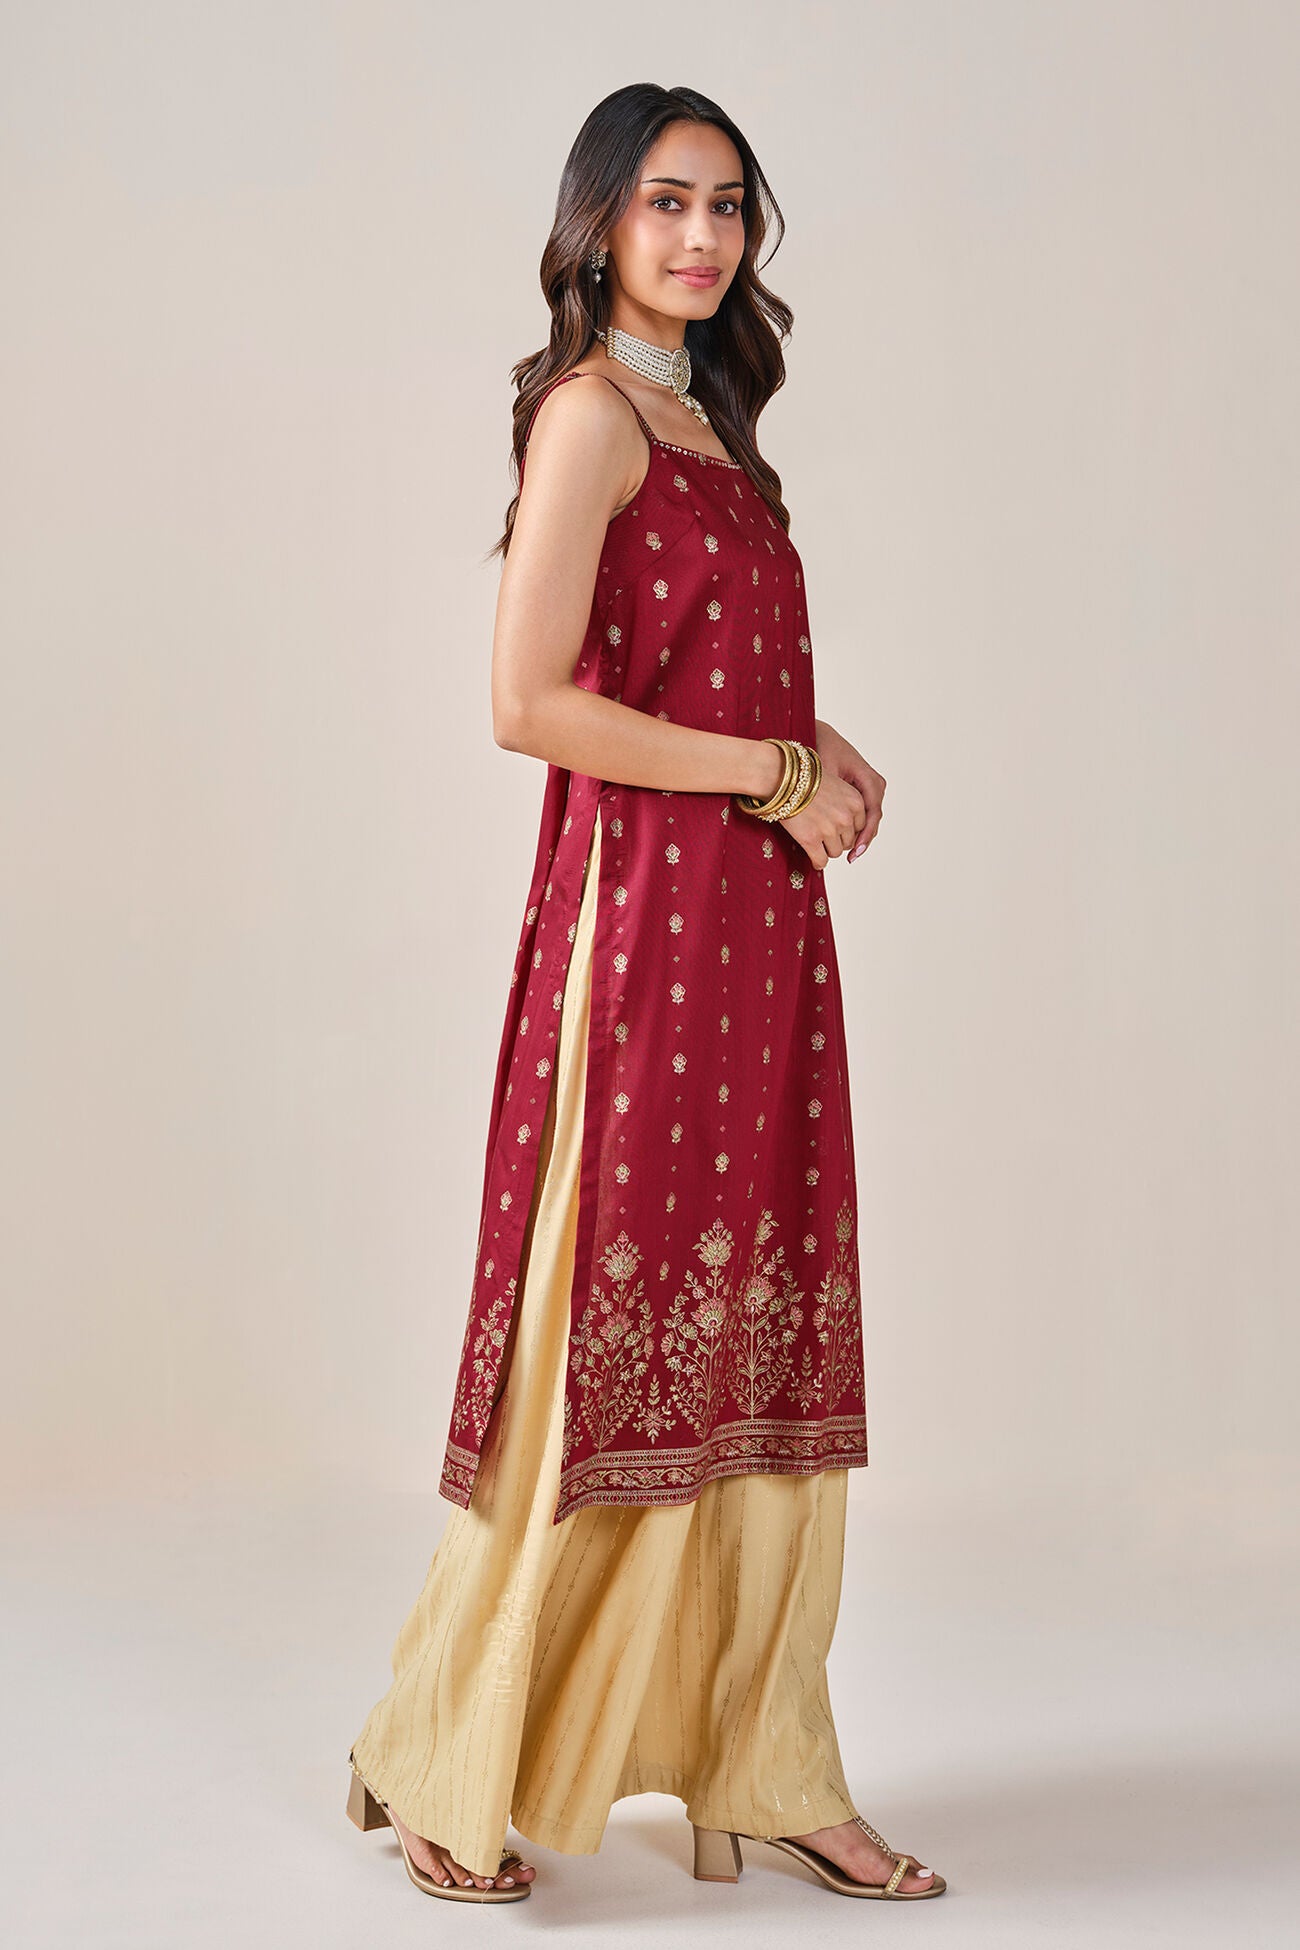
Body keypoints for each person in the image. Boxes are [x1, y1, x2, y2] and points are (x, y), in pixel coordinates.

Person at [345, 82, 946, 1907]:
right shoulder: (593, 419)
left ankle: (773, 1762)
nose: (702, 236)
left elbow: (694, 666)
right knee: (590, 1348)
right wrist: (771, 772)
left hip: (759, 939)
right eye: (667, 202)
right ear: (599, 220)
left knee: (757, 1345)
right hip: (648, 937)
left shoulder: (713, 427)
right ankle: (448, 1754)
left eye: (730, 207)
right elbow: (530, 705)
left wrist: (807, 736)